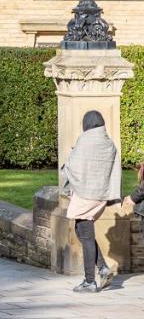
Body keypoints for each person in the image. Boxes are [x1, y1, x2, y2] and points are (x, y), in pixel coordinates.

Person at [60, 109, 121, 293]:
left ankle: (89, 281)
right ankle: (102, 268)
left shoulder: (85, 141)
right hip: (100, 195)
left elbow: (74, 166)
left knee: (85, 234)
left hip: (85, 194)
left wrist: (67, 168)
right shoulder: (109, 144)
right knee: (82, 231)